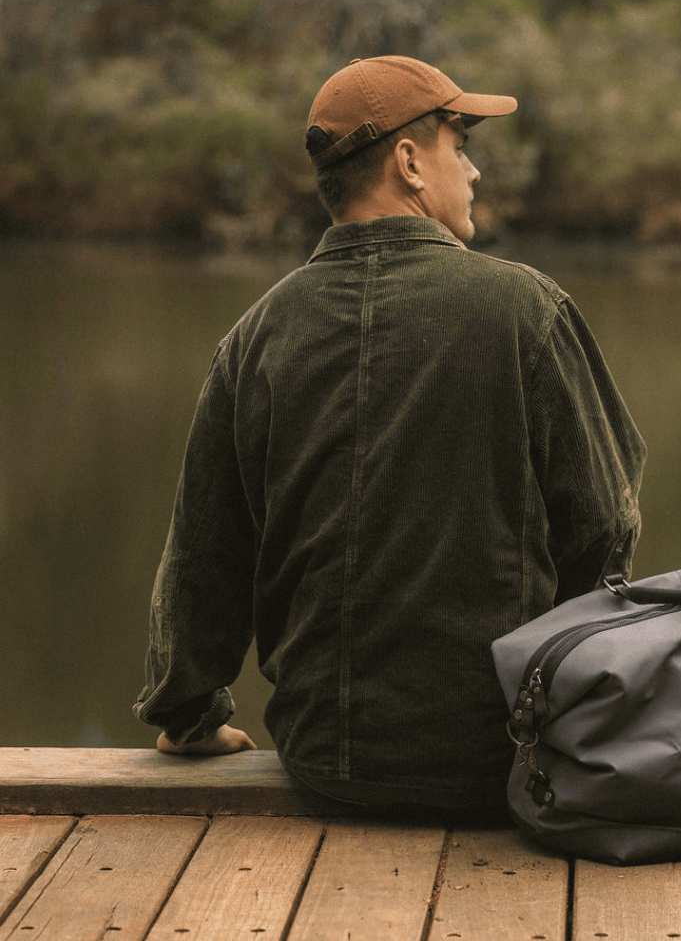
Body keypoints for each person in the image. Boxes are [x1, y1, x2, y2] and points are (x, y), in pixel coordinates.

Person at [134, 55, 646, 814]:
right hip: (499, 757)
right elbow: (605, 525)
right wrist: (561, 693)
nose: (472, 173)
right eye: (460, 146)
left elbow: (207, 553)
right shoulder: (525, 310)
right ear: (409, 160)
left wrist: (186, 715)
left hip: (321, 761)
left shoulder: (255, 338)